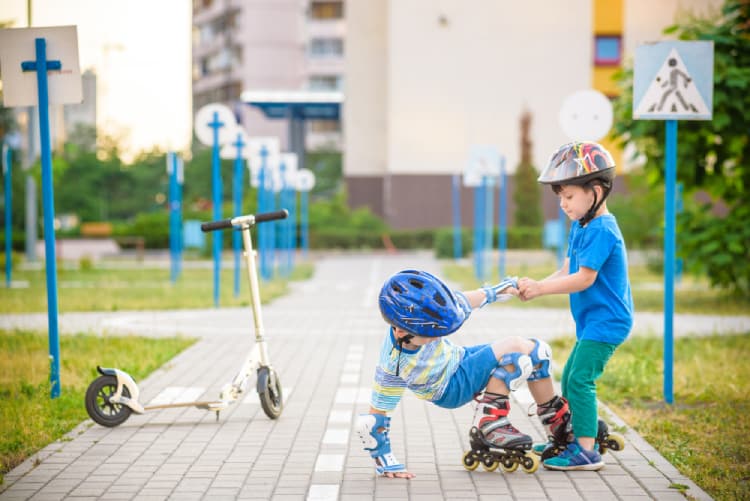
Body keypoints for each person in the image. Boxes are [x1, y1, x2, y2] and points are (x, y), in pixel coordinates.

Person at [355, 269, 573, 478]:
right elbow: (375, 420)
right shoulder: (394, 364)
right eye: (431, 334)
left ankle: (557, 423)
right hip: (449, 388)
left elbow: (463, 302)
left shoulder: (421, 318)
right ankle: (488, 425)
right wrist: (385, 462)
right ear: (401, 331)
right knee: (516, 355)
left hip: (458, 358)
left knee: (538, 352)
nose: (436, 336)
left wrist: (501, 289)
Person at [517, 141, 633, 471]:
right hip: (592, 320)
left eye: (569, 197)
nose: (564, 205)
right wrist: (536, 284)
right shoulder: (581, 225)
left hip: (607, 321)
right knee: (570, 377)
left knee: (580, 379)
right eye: (560, 199)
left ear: (595, 191)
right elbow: (567, 270)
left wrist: (541, 290)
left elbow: (583, 279)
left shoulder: (602, 229)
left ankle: (586, 452)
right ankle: (572, 437)